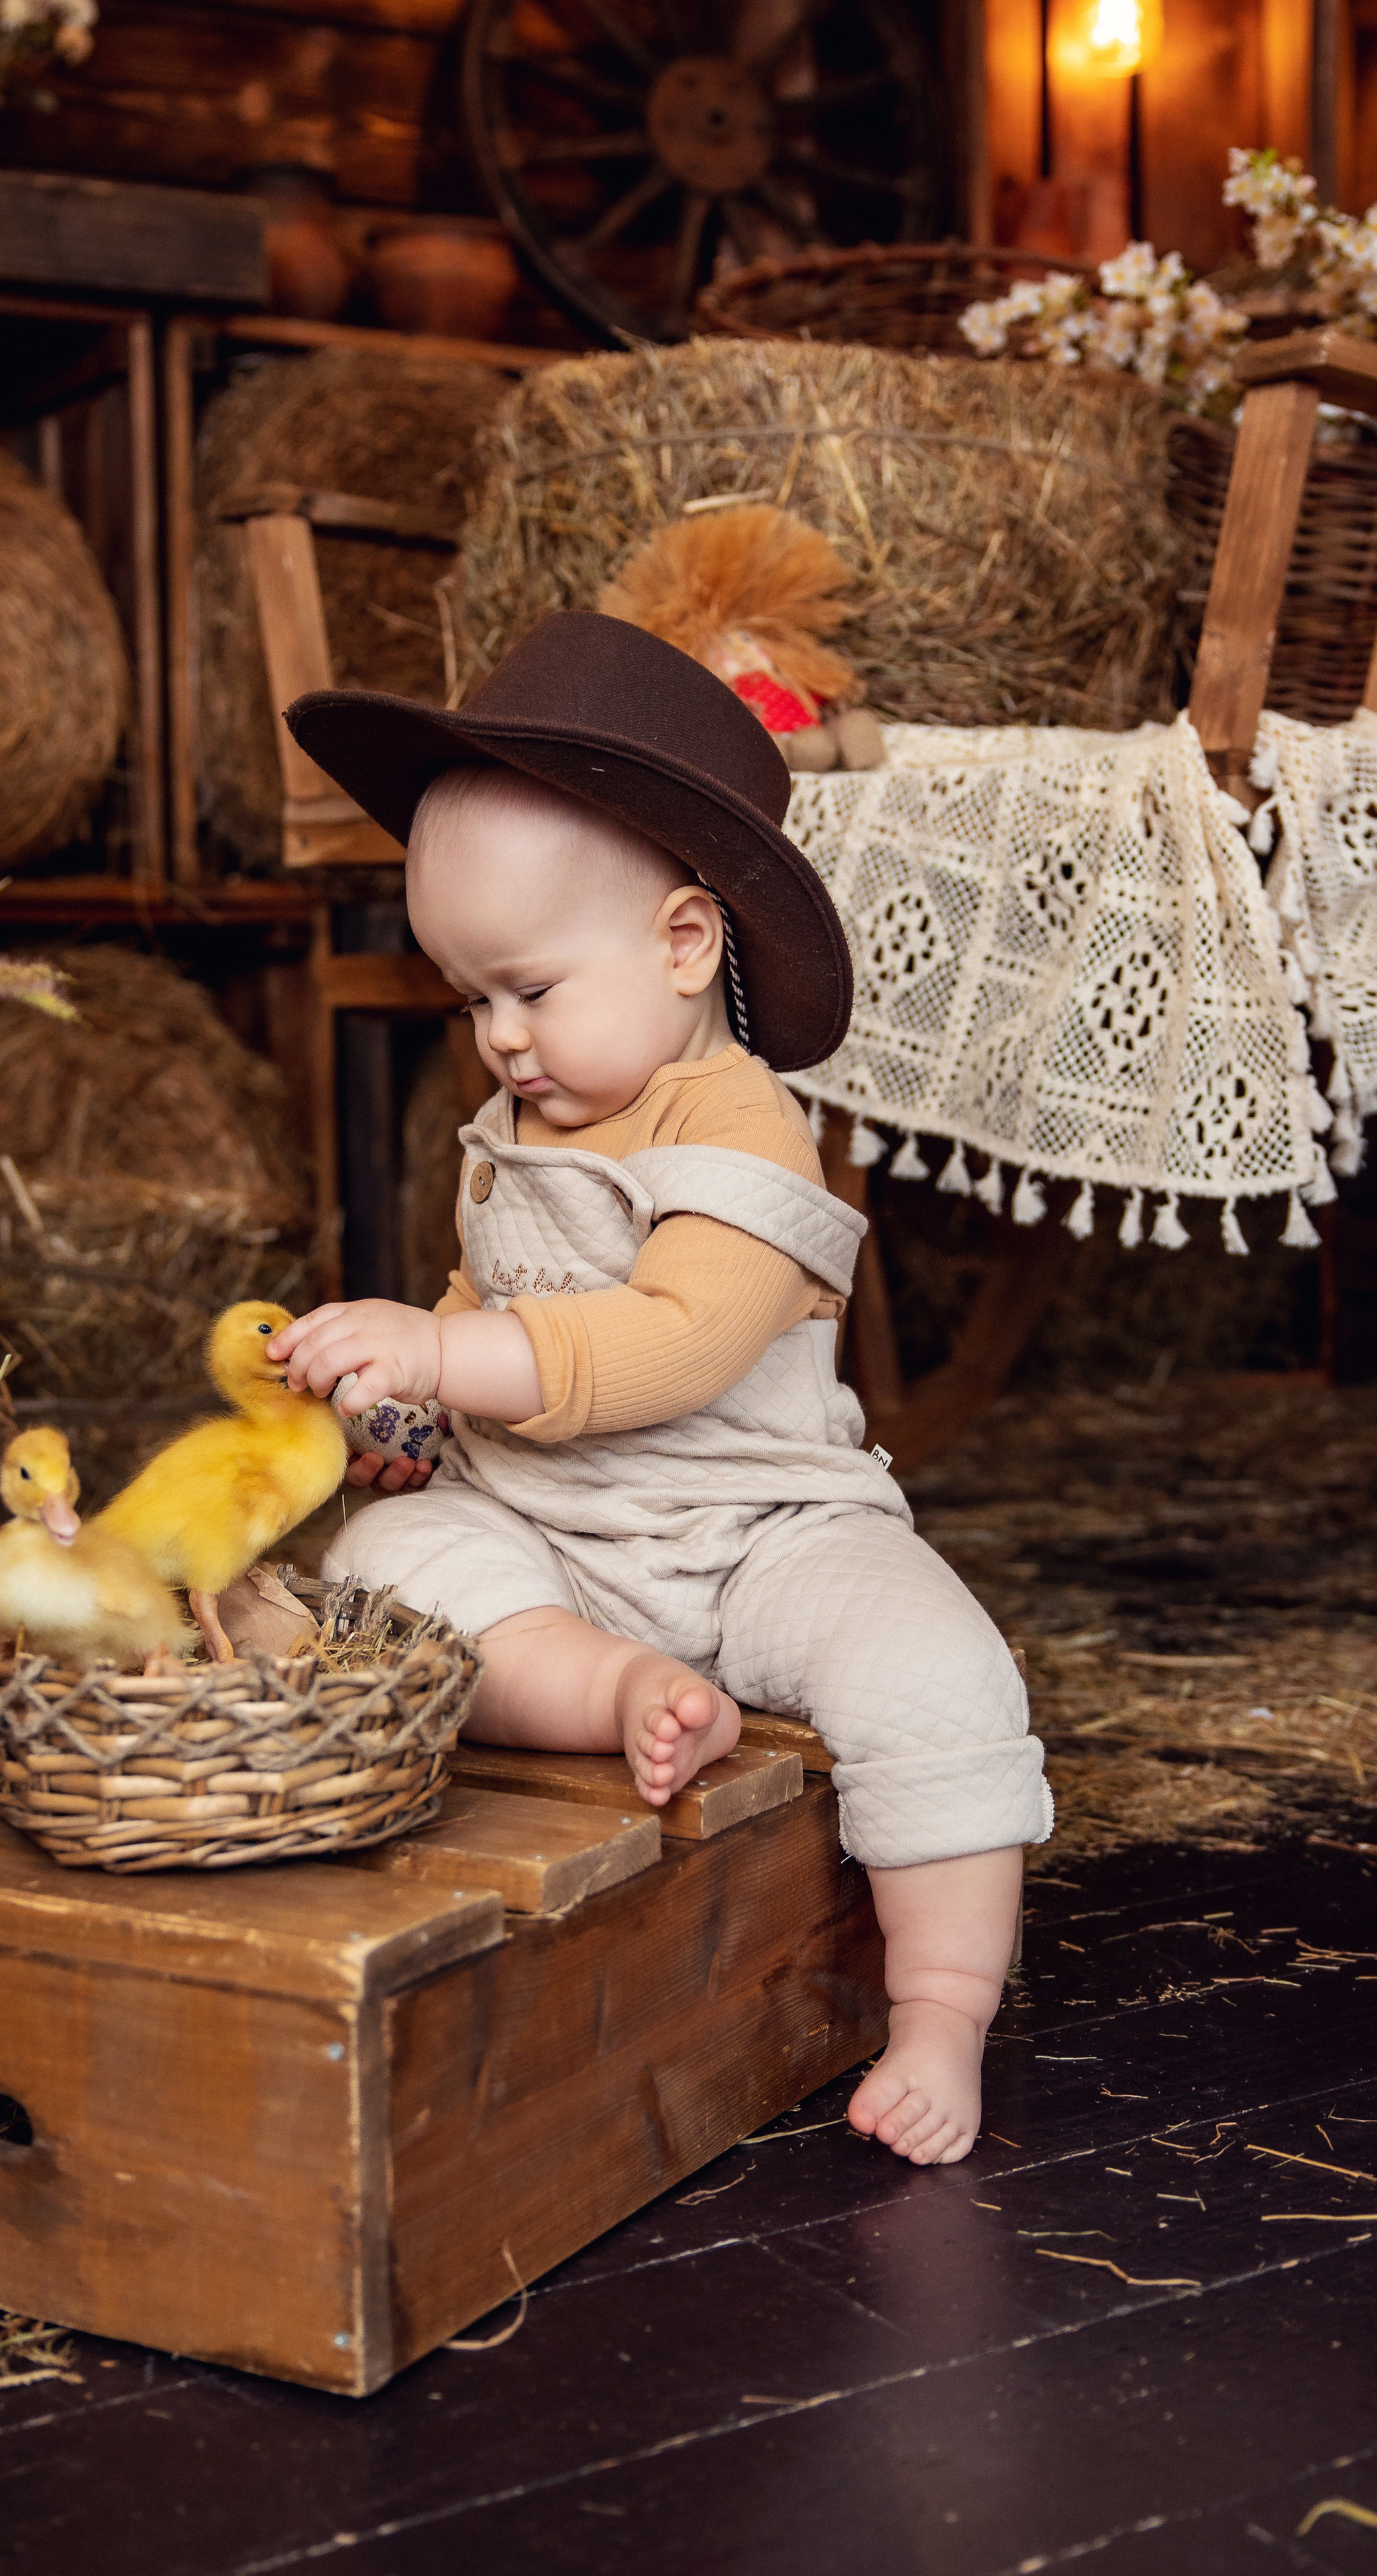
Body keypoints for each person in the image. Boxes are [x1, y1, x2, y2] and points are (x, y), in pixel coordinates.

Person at [268, 612, 1051, 2168]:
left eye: (529, 990)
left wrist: (444, 1354)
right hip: (552, 1527)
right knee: (378, 1578)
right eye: (465, 996)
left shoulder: (741, 1128)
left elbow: (673, 1344)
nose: (497, 1039)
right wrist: (407, 1416)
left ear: (684, 946)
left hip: (759, 1530)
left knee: (935, 1671)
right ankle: (611, 1688)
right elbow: (476, 1306)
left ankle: (943, 2008)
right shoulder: (525, 1128)